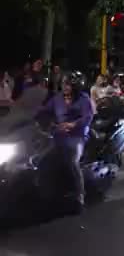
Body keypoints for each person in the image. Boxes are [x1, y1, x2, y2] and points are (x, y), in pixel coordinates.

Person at [36, 71, 94, 213]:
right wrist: (32, 114)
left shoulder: (84, 99)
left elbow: (88, 117)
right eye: (63, 83)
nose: (65, 86)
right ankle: (46, 192)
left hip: (77, 137)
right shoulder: (57, 99)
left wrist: (73, 125)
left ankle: (80, 196)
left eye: (68, 84)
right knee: (41, 159)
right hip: (58, 135)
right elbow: (44, 111)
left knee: (72, 162)